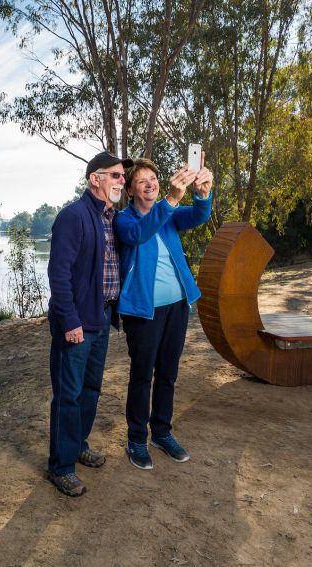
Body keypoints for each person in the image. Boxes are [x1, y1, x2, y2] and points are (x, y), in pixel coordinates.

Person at [113, 156, 213, 470]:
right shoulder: (124, 220)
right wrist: (170, 199)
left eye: (154, 179)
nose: (151, 184)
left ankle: (162, 432)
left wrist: (203, 193)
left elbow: (198, 215)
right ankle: (135, 439)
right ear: (130, 190)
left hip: (176, 307)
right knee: (142, 375)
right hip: (143, 312)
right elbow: (140, 234)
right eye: (143, 181)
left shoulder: (169, 216)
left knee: (168, 373)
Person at [46, 150, 133, 496]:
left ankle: (78, 443)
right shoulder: (73, 216)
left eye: (123, 177)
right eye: (115, 175)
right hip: (77, 322)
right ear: (94, 179)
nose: (121, 181)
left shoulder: (113, 218)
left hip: (102, 318)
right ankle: (61, 466)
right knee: (68, 395)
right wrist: (70, 321)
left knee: (91, 390)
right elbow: (59, 274)